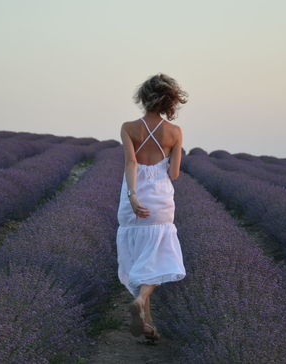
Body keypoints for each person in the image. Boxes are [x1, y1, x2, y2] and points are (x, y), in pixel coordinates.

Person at [116, 73, 188, 343]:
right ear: (170, 101)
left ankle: (148, 325)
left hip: (133, 201)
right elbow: (176, 173)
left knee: (137, 258)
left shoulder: (128, 127)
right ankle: (143, 300)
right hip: (160, 201)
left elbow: (131, 164)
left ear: (143, 98)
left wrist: (133, 197)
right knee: (159, 260)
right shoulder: (175, 132)